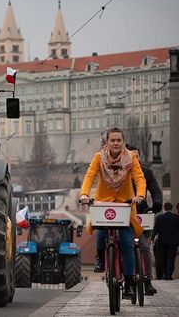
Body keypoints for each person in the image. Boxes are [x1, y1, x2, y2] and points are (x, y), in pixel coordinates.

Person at [79, 127, 145, 299]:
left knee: (126, 242)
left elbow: (139, 178)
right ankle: (100, 257)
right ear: (107, 142)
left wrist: (139, 195)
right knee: (101, 228)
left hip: (126, 203)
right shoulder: (98, 158)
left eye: (119, 140)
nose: (116, 143)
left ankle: (130, 283)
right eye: (112, 140)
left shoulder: (131, 158)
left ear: (123, 142)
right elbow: (89, 176)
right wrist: (84, 194)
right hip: (104, 202)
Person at [126, 144, 162, 295]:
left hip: (142, 213)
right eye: (131, 156)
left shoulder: (147, 173)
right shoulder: (122, 173)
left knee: (146, 247)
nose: (135, 159)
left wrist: (157, 203)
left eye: (137, 156)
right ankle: (126, 278)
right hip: (125, 214)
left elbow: (154, 189)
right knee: (125, 246)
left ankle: (148, 281)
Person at [152, 202, 179, 280]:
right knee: (171, 259)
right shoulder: (176, 217)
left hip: (162, 242)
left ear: (164, 208)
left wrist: (152, 238)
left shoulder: (159, 218)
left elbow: (155, 229)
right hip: (173, 242)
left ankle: (164, 273)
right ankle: (169, 275)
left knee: (163, 258)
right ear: (172, 208)